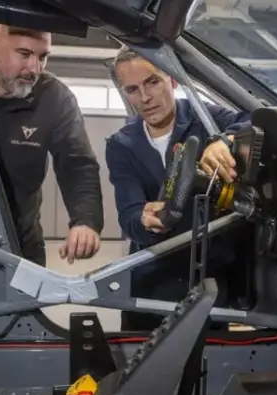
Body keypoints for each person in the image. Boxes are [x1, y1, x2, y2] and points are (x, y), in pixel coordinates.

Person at [104, 47, 251, 330]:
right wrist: (144, 221)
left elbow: (256, 115)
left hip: (211, 276)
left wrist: (225, 140)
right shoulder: (122, 145)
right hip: (152, 277)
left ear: (172, 80)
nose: (145, 98)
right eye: (132, 89)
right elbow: (129, 215)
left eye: (152, 82)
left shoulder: (206, 119)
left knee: (209, 353)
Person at [0, 17, 104, 265]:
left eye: (42, 57)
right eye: (24, 53)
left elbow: (77, 164)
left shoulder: (54, 97)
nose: (34, 69)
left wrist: (86, 220)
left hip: (22, 244)